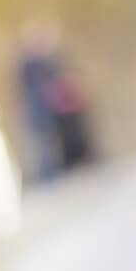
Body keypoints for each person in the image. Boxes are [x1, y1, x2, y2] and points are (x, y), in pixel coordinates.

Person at [15, 17, 92, 182]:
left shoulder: (49, 59)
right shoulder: (30, 64)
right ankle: (48, 173)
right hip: (40, 108)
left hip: (53, 107)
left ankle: (62, 167)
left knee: (57, 138)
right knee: (44, 142)